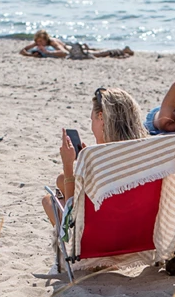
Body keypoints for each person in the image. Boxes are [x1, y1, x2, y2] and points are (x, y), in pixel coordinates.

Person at [42, 87, 148, 223]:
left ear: (101, 118)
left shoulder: (102, 162)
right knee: (61, 180)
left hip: (102, 234)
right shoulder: (144, 154)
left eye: (92, 119)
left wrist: (68, 165)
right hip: (141, 230)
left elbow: (73, 216)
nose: (92, 126)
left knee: (48, 201)